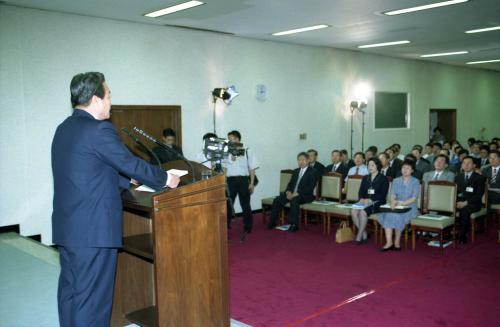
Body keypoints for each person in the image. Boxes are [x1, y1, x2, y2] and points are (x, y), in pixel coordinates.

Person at [51, 72, 180, 326]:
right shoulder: (99, 129)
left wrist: (124, 181)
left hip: (69, 229)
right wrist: (165, 179)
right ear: (96, 99)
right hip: (93, 232)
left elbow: (83, 169)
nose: (111, 101)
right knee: (93, 303)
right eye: (109, 96)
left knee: (72, 293)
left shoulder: (64, 128)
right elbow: (129, 162)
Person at [267, 152, 318, 232]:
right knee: (277, 200)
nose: (301, 162)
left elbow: (310, 187)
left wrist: (297, 193)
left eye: (303, 160)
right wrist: (288, 192)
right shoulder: (296, 171)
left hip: (305, 195)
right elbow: (290, 184)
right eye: (299, 160)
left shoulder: (313, 171)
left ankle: (294, 224)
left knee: (294, 201)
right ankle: (272, 222)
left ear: (308, 160)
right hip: (292, 193)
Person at [377, 160, 420, 251]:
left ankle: (396, 241)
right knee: (389, 214)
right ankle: (389, 242)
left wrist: (402, 204)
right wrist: (393, 201)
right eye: (403, 168)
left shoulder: (415, 181)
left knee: (396, 215)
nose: (405, 170)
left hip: (409, 206)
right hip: (396, 205)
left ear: (412, 170)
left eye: (408, 168)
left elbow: (414, 198)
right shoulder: (396, 180)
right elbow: (393, 194)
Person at [223, 130, 259, 233]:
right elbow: (225, 168)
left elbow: (252, 168)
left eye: (231, 138)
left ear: (238, 139)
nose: (229, 140)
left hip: (243, 180)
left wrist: (251, 183)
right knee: (228, 204)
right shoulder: (227, 151)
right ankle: (226, 225)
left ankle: (248, 226)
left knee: (245, 204)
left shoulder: (247, 150)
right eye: (228, 139)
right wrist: (224, 181)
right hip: (230, 180)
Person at [350, 158, 389, 244]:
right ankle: (364, 232)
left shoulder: (383, 178)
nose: (370, 167)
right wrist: (361, 199)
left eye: (372, 165)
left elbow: (382, 194)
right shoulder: (365, 178)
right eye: (368, 165)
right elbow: (361, 191)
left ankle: (359, 236)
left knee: (363, 212)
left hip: (378, 202)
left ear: (377, 166)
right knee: (353, 211)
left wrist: (371, 199)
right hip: (364, 201)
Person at [455, 156, 486, 244]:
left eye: (469, 163)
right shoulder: (458, 177)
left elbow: (479, 195)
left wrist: (465, 203)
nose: (466, 165)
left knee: (464, 211)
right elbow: (455, 192)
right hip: (459, 201)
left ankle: (462, 235)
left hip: (473, 203)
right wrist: (456, 202)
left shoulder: (479, 178)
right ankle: (448, 232)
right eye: (464, 163)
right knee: (446, 208)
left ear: (474, 165)